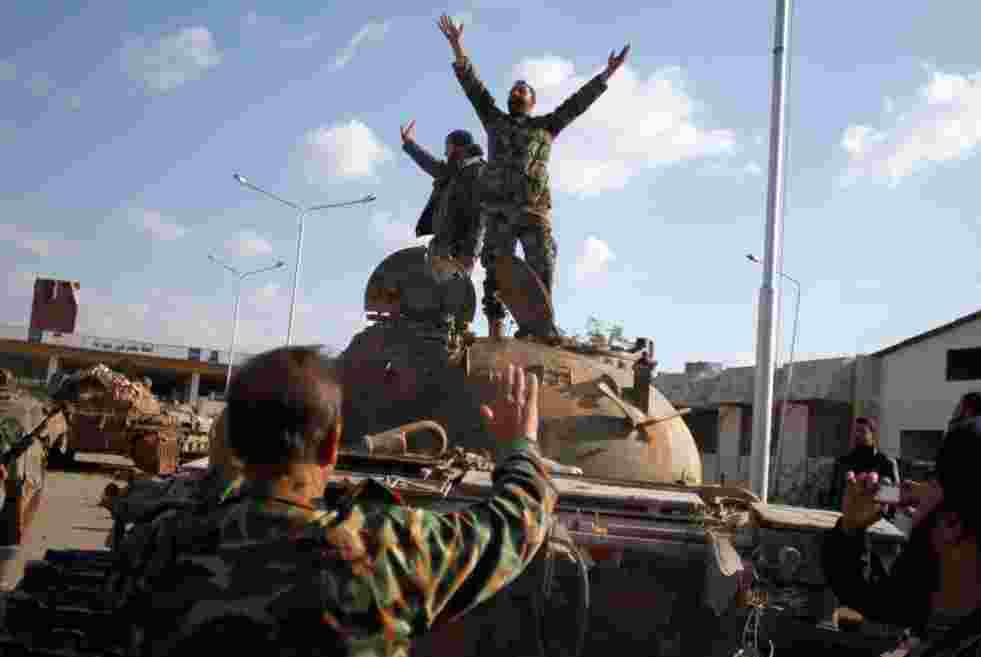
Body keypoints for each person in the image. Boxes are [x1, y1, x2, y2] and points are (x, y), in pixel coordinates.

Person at [107, 346, 558, 657]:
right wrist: (520, 444)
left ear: (232, 440)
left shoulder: (158, 545)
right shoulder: (383, 548)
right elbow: (517, 521)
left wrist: (220, 475)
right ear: (331, 447)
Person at [437, 13, 629, 339]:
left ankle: (539, 327)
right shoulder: (494, 120)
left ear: (532, 101)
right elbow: (473, 88)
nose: (518, 91)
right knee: (495, 269)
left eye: (524, 89)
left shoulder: (546, 127)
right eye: (514, 88)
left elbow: (576, 104)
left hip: (533, 211)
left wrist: (606, 74)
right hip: (498, 210)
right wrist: (458, 46)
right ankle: (495, 326)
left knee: (543, 266)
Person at [822, 416, 981, 656]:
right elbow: (876, 599)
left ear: (951, 523)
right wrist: (851, 528)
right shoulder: (961, 603)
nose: (911, 488)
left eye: (930, 481)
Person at [401, 121, 487, 276]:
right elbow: (429, 163)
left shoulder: (478, 173)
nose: (445, 153)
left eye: (448, 147)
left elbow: (480, 216)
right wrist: (409, 144)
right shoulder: (452, 170)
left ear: (459, 148)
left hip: (458, 251)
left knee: (450, 295)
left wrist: (470, 253)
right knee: (429, 294)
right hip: (441, 245)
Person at [827, 416, 900, 511]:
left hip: (876, 518)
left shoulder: (887, 462)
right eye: (855, 431)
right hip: (845, 516)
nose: (857, 434)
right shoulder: (842, 462)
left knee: (884, 481)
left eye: (862, 431)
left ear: (872, 434)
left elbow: (894, 499)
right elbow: (833, 496)